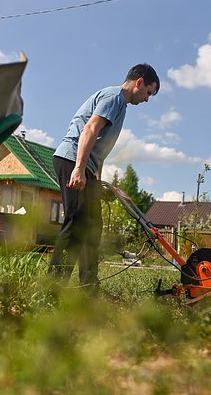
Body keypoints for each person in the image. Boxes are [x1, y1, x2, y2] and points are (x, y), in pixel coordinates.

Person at [50, 63, 160, 292]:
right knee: (77, 220)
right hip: (71, 159)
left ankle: (89, 286)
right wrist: (79, 169)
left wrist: (97, 182)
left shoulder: (120, 105)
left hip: (85, 164)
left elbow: (100, 150)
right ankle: (53, 287)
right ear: (139, 82)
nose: (147, 99)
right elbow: (89, 130)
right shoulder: (114, 98)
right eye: (148, 92)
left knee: (93, 225)